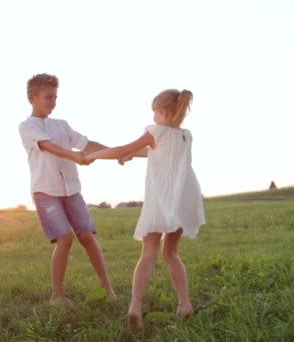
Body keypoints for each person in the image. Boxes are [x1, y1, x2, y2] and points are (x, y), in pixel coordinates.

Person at [86, 88, 205, 329]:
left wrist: (93, 155)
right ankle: (185, 304)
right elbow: (157, 153)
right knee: (170, 253)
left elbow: (122, 149)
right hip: (183, 198)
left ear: (163, 112)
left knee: (148, 252)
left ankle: (135, 307)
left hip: (162, 200)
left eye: (154, 113)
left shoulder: (155, 131)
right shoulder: (185, 135)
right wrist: (132, 156)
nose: (152, 118)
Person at [18, 73, 117, 305]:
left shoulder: (61, 125)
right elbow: (47, 146)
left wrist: (116, 152)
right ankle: (57, 296)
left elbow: (86, 144)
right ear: (32, 98)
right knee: (64, 238)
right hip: (45, 192)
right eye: (48, 97)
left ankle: (108, 290)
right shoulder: (27, 126)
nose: (53, 102)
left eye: (55, 97)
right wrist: (73, 155)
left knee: (86, 236)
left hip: (71, 190)